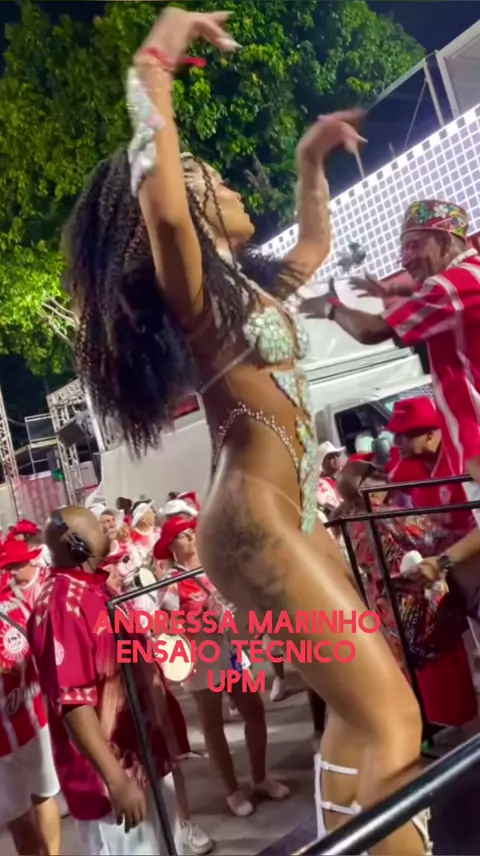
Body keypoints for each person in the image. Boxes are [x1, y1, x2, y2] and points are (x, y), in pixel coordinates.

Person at [62, 7, 430, 852]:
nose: (226, 180)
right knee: (394, 718)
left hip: (290, 515)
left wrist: (310, 160)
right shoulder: (195, 293)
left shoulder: (247, 289)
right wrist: (153, 62)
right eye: (206, 174)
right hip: (254, 524)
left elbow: (315, 243)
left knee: (361, 711)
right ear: (185, 201)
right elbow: (161, 213)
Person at [301, 198, 480, 513]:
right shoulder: (469, 276)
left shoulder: (450, 285)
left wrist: (330, 306)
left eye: (414, 245)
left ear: (444, 240)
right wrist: (394, 291)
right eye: (403, 249)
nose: (406, 259)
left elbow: (371, 331)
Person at [28, 506, 183, 856]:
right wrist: (116, 780)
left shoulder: (95, 587)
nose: (108, 530)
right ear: (77, 543)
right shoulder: (60, 607)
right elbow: (73, 704)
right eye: (98, 527)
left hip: (143, 761)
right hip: (112, 787)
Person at [154, 515, 289, 817]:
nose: (190, 537)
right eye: (181, 535)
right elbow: (167, 625)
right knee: (213, 724)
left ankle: (260, 778)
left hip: (232, 649)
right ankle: (232, 791)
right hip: (202, 657)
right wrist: (200, 617)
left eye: (191, 531)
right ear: (170, 546)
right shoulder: (170, 581)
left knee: (254, 710)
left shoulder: (212, 565)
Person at [337, 461, 476, 728]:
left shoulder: (352, 524)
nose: (383, 474)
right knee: (450, 698)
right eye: (374, 472)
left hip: (391, 620)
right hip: (426, 619)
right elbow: (441, 538)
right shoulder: (391, 517)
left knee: (419, 694)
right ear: (363, 486)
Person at [0, 544, 61, 856]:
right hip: (14, 731)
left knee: (35, 801)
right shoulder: (17, 602)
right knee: (24, 810)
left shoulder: (16, 604)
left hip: (30, 720)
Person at [387, 397, 476, 544]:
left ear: (430, 435)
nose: (396, 442)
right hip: (435, 547)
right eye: (395, 434)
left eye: (403, 434)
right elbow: (378, 492)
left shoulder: (462, 459)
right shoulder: (405, 462)